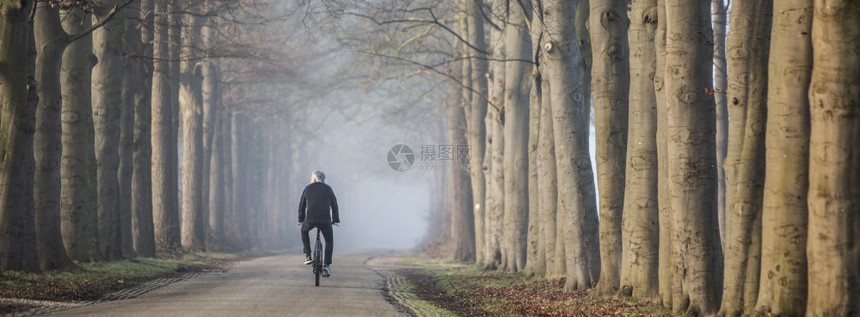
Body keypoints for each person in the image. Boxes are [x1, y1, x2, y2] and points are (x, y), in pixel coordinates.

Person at [298, 170, 339, 277]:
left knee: (304, 231)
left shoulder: (308, 188)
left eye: (311, 178)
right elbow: (334, 205)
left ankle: (308, 256)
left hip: (310, 219)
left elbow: (302, 205)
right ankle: (326, 264)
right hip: (325, 219)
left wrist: (301, 219)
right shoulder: (328, 189)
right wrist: (335, 220)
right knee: (329, 241)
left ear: (314, 179)